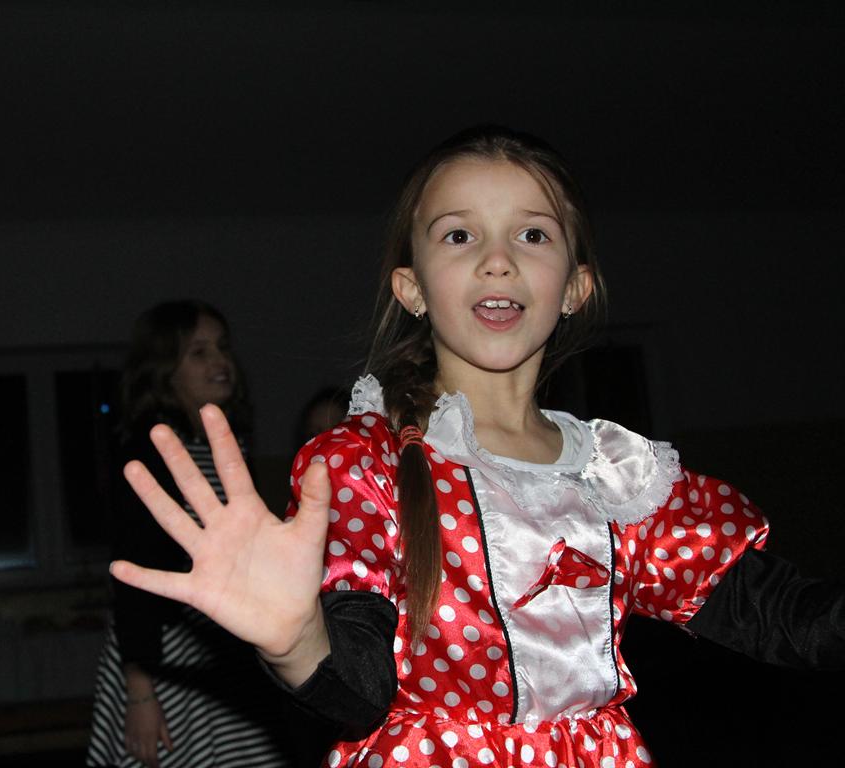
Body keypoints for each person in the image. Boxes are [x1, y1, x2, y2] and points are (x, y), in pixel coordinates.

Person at [108, 126, 845, 767]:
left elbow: (786, 617)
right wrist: (297, 639)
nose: (498, 260)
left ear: (575, 287)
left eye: (533, 235)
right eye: (460, 236)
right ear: (412, 288)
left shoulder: (621, 475)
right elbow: (360, 694)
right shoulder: (368, 462)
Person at [85, 300, 291, 768]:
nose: (220, 361)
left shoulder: (226, 445)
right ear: (164, 371)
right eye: (199, 352)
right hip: (163, 654)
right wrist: (140, 689)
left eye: (222, 347)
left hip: (224, 646)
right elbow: (134, 572)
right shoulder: (152, 450)